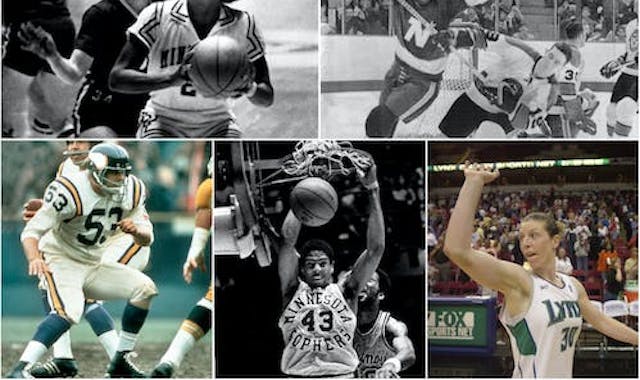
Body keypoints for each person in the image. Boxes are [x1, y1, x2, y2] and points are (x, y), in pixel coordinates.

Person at [444, 162, 638, 378]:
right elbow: (456, 249)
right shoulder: (520, 281)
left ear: (555, 241)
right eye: (522, 237)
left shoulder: (573, 286)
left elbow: (601, 321)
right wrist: (473, 182)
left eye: (534, 235)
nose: (525, 243)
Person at [5, 143, 157, 378]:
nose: (119, 179)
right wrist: (34, 258)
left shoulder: (133, 189)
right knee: (69, 311)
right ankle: (20, 369)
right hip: (63, 259)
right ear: (94, 170)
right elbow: (31, 232)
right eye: (112, 173)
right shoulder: (70, 188)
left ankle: (119, 361)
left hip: (94, 261)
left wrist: (137, 231)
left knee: (145, 289)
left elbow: (147, 238)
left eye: (122, 173)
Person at [278, 163, 385, 377]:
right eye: (310, 265)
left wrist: (372, 188)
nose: (317, 269)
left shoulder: (347, 291)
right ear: (301, 270)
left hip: (341, 375)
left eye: (322, 264)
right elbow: (287, 243)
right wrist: (304, 190)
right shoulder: (292, 289)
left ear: (332, 267)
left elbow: (375, 250)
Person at [109, 0, 274, 138]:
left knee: (225, 158)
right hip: (163, 119)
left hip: (218, 123)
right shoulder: (158, 15)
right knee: (160, 163)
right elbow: (117, 79)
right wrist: (171, 79)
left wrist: (249, 88)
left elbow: (267, 97)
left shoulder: (243, 23)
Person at [16, 0, 154, 137]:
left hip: (149, 109)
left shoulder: (164, 13)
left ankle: (66, 133)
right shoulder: (102, 14)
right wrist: (53, 56)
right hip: (103, 109)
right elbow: (74, 73)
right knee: (104, 146)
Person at [364, 0, 494, 137]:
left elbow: (474, 9)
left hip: (422, 81)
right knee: (380, 123)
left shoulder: (445, 5)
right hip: (397, 69)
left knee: (382, 120)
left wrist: (453, 38)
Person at [150, 159, 213, 378]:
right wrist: (195, 250)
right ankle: (168, 361)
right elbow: (205, 210)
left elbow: (206, 209)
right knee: (210, 303)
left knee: (209, 303)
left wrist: (196, 250)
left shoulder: (209, 186)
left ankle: (169, 361)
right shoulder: (208, 187)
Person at [438, 38, 573, 138]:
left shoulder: (550, 90)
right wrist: (455, 37)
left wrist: (509, 105)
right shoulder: (523, 52)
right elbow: (484, 37)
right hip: (474, 99)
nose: (550, 63)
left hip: (503, 119)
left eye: (557, 63)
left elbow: (524, 123)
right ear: (546, 51)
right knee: (443, 144)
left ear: (561, 68)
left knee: (487, 140)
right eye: (550, 56)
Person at [3, 0, 77, 137]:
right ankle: (66, 134)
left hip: (28, 29)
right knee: (49, 117)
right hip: (64, 26)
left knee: (6, 121)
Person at [352, 270, 416, 378]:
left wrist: (391, 365)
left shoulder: (392, 326)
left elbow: (408, 353)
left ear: (381, 294)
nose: (363, 283)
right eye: (361, 279)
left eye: (369, 280)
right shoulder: (342, 323)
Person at [546, 20, 599, 137]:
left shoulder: (555, 48)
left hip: (544, 98)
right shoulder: (574, 53)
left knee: (587, 94)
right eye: (585, 34)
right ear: (580, 35)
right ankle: (568, 131)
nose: (586, 37)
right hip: (558, 101)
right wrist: (577, 115)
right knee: (593, 99)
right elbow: (566, 86)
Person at [600, 18, 637, 137]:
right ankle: (611, 142)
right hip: (627, 74)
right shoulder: (632, 24)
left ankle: (619, 146)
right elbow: (629, 52)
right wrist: (618, 61)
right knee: (611, 111)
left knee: (627, 107)